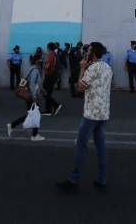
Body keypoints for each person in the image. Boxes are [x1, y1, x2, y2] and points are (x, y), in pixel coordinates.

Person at [57, 42, 113, 192]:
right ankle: (102, 178)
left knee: (81, 145)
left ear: (93, 53)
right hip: (103, 112)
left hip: (91, 113)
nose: (86, 53)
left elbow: (80, 87)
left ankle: (74, 180)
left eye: (88, 51)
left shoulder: (92, 68)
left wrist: (82, 68)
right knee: (100, 146)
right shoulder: (108, 67)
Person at [8, 53, 46, 141]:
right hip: (32, 95)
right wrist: (34, 97)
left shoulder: (32, 68)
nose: (42, 62)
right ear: (37, 61)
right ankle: (34, 135)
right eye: (40, 60)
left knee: (32, 114)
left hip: (31, 95)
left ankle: (12, 125)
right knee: (36, 114)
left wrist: (41, 89)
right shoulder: (35, 70)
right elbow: (32, 84)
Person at [42, 42, 62, 116]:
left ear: (48, 48)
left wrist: (42, 65)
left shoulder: (50, 56)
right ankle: (48, 110)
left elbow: (47, 67)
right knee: (48, 93)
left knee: (44, 92)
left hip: (49, 76)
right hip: (53, 76)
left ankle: (56, 105)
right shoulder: (56, 55)